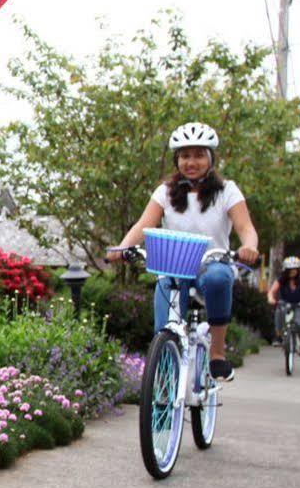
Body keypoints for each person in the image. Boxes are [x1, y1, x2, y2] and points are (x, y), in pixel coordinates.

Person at [110, 122, 260, 379]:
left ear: (211, 159)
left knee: (218, 278)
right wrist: (121, 248)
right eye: (185, 155)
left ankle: (217, 354)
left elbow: (246, 227)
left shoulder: (227, 191)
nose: (192, 162)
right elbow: (144, 224)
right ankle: (164, 365)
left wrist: (249, 246)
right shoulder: (165, 192)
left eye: (199, 155)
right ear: (177, 159)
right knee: (164, 308)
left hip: (212, 263)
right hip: (174, 266)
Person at [267, 254, 300, 355]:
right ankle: (279, 336)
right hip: (285, 303)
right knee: (279, 312)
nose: (292, 271)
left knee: (299, 324)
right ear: (286, 270)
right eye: (290, 269)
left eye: (295, 269)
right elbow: (272, 291)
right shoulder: (281, 280)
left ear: (298, 270)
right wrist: (271, 298)